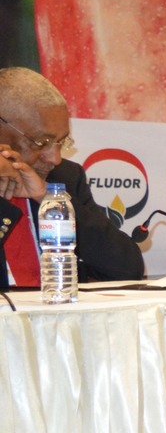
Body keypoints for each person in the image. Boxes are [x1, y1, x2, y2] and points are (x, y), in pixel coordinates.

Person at [0, 67, 145, 290]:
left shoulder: (64, 177)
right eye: (41, 143)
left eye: (61, 142)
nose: (55, 158)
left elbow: (127, 269)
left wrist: (49, 198)